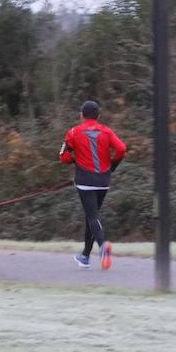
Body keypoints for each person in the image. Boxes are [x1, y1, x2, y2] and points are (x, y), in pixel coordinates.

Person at [59, 100, 127, 268]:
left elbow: (63, 157)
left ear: (81, 115)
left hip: (85, 181)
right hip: (104, 181)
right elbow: (122, 149)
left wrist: (75, 160)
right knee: (92, 216)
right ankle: (85, 256)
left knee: (92, 216)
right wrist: (112, 166)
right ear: (98, 115)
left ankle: (103, 245)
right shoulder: (107, 131)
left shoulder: (73, 132)